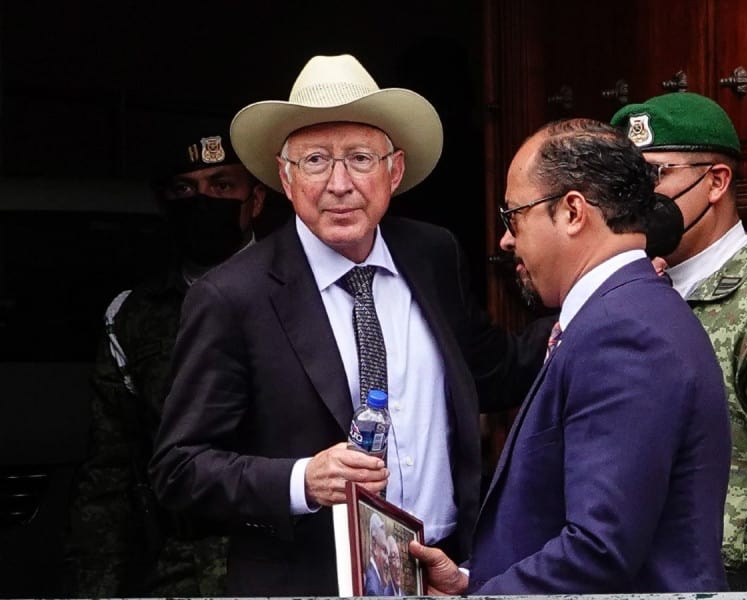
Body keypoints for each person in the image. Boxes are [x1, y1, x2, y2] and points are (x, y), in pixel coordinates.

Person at [148, 53, 554, 596]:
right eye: (315, 161)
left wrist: (598, 292)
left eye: (360, 158)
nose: (340, 184)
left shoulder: (433, 254)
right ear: (286, 179)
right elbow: (179, 469)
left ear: (395, 171)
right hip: (305, 585)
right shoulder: (232, 296)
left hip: (441, 575)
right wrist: (302, 480)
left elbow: (494, 370)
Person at [410, 117, 732, 593]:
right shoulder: (620, 314)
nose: (505, 240)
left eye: (513, 217)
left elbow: (598, 550)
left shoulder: (624, 334)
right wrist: (470, 579)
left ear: (573, 212)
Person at [62, 132, 266, 597]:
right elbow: (110, 471)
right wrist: (97, 587)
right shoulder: (133, 315)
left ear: (256, 199)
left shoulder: (307, 293)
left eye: (221, 186)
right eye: (185, 190)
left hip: (294, 561)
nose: (202, 201)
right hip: (182, 573)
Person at [611, 92, 747, 591]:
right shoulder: (636, 294)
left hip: (731, 581)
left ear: (715, 181)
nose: (639, 197)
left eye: (655, 175)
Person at [364, 513, 389, 595]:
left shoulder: (377, 581)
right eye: (384, 551)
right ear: (374, 547)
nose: (388, 562)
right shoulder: (373, 588)